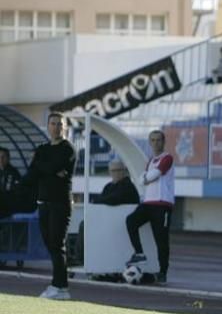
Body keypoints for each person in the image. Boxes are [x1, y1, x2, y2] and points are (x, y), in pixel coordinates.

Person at [21, 113, 76, 300]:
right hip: (43, 204)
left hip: (60, 204)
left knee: (57, 244)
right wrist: (47, 168)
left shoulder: (68, 149)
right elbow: (31, 176)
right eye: (53, 124)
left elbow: (52, 167)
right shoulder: (43, 149)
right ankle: (58, 284)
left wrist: (39, 164)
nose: (56, 127)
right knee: (50, 245)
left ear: (65, 127)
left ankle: (60, 287)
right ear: (47, 126)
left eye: (60, 124)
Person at [124, 130, 174, 283]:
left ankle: (163, 272)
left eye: (158, 140)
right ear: (149, 142)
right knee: (131, 221)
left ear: (163, 142)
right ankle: (139, 253)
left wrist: (146, 177)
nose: (156, 143)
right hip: (148, 203)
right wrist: (146, 177)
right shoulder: (151, 160)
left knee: (161, 240)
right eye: (152, 140)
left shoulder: (167, 158)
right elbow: (141, 179)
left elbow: (151, 176)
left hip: (162, 204)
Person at [74, 159, 140, 266]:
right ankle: (80, 257)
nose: (116, 173)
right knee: (84, 224)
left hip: (118, 223)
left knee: (85, 225)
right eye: (113, 171)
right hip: (106, 220)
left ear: (124, 171)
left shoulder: (128, 186)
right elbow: (102, 200)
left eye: (118, 170)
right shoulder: (108, 186)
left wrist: (98, 200)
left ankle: (80, 258)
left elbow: (114, 199)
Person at [0, 146, 23, 219]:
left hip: (8, 205)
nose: (1, 159)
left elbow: (17, 190)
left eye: (3, 157)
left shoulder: (13, 172)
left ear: (8, 158)